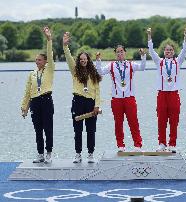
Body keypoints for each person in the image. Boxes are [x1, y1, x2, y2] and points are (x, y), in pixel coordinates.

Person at [95, 45, 146, 152]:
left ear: (125, 52)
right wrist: (98, 60)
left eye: (121, 51)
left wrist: (143, 56)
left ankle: (137, 145)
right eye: (117, 52)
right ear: (115, 54)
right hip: (116, 99)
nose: (120, 54)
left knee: (133, 122)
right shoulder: (112, 65)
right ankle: (120, 146)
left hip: (129, 98)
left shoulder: (131, 64)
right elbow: (100, 72)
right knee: (118, 123)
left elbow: (142, 67)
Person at [147, 27, 186, 153]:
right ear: (164, 51)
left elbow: (184, 50)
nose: (168, 51)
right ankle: (162, 143)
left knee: (174, 120)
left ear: (173, 52)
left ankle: (172, 144)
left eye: (170, 50)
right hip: (162, 94)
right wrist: (149, 36)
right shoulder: (159, 61)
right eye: (166, 50)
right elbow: (151, 51)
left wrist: (185, 37)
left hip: (174, 94)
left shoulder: (178, 61)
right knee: (161, 120)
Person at [63, 32, 102, 163]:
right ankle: (78, 154)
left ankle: (90, 154)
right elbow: (68, 58)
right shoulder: (75, 71)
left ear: (88, 60)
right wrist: (65, 45)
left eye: (85, 59)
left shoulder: (93, 73)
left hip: (91, 103)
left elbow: (98, 91)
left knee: (91, 130)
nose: (83, 61)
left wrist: (97, 105)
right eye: (81, 59)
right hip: (78, 102)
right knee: (78, 130)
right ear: (79, 61)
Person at [21, 26, 55, 164]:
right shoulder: (32, 74)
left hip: (46, 100)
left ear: (46, 61)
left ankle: (48, 153)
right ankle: (40, 154)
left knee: (48, 128)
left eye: (39, 60)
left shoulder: (50, 69)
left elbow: (50, 53)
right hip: (35, 102)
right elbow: (27, 91)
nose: (37, 62)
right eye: (36, 60)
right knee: (38, 130)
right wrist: (24, 107)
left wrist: (48, 39)